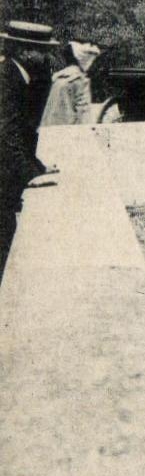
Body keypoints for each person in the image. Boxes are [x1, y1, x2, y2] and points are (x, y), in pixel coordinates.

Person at [2, 21, 58, 281]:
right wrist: (30, 174)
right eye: (41, 50)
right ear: (24, 52)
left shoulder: (14, 75)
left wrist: (38, 166)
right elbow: (7, 133)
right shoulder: (8, 78)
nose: (47, 56)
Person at [41, 41, 99, 126]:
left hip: (49, 129)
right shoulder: (80, 80)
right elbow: (84, 115)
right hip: (68, 132)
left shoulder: (58, 78)